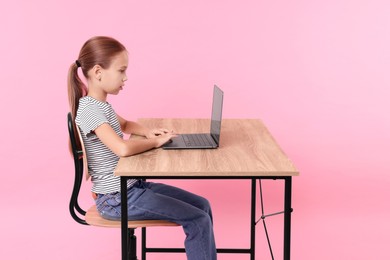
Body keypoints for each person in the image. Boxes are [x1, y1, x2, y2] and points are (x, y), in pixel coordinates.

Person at [67, 36, 217, 260]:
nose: (125, 77)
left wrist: (148, 132)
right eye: (121, 70)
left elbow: (126, 124)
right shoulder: (90, 110)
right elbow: (122, 149)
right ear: (98, 72)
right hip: (116, 199)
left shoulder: (99, 105)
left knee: (202, 205)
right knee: (198, 219)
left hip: (132, 188)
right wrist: (155, 142)